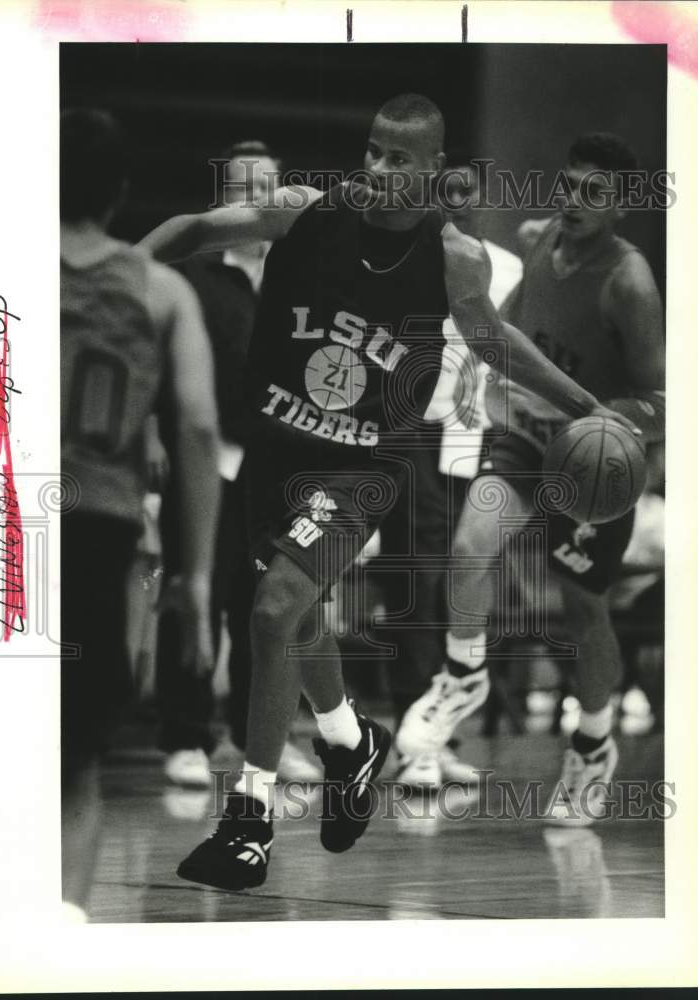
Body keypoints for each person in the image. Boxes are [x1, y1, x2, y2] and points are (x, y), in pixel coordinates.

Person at [141, 97, 637, 890]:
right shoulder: (306, 213)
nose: (378, 169)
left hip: (363, 462)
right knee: (294, 618)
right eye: (372, 152)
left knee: (274, 609)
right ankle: (350, 741)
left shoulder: (456, 258)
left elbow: (492, 340)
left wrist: (585, 405)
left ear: (432, 169)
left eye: (399, 159)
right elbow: (195, 230)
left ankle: (250, 818)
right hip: (275, 450)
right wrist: (130, 285)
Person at [398, 132, 665, 825]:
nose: (575, 200)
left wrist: (603, 424)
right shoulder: (539, 237)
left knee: (584, 610)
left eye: (595, 193)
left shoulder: (629, 282)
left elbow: (662, 400)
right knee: (468, 549)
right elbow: (507, 335)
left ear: (623, 208)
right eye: (571, 184)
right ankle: (462, 676)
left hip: (591, 463)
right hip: (520, 441)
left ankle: (594, 741)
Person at [60, 108, 220, 917]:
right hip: (95, 527)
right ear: (121, 192)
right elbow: (196, 426)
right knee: (74, 761)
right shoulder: (161, 289)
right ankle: (63, 921)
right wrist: (193, 578)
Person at [150, 141, 321, 787]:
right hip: (206, 458)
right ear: (221, 195)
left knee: (272, 604)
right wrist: (151, 435)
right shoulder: (192, 270)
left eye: (267, 187)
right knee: (197, 592)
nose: (256, 198)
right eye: (242, 186)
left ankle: (263, 738)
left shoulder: (302, 269)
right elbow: (154, 362)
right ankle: (187, 735)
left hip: (279, 462)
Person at [380, 162, 523, 788]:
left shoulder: (510, 267)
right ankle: (414, 745)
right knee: (415, 574)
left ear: (483, 197)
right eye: (448, 191)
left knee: (465, 578)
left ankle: (439, 733)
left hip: (474, 431)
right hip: (410, 425)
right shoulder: (407, 255)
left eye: (469, 191)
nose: (458, 201)